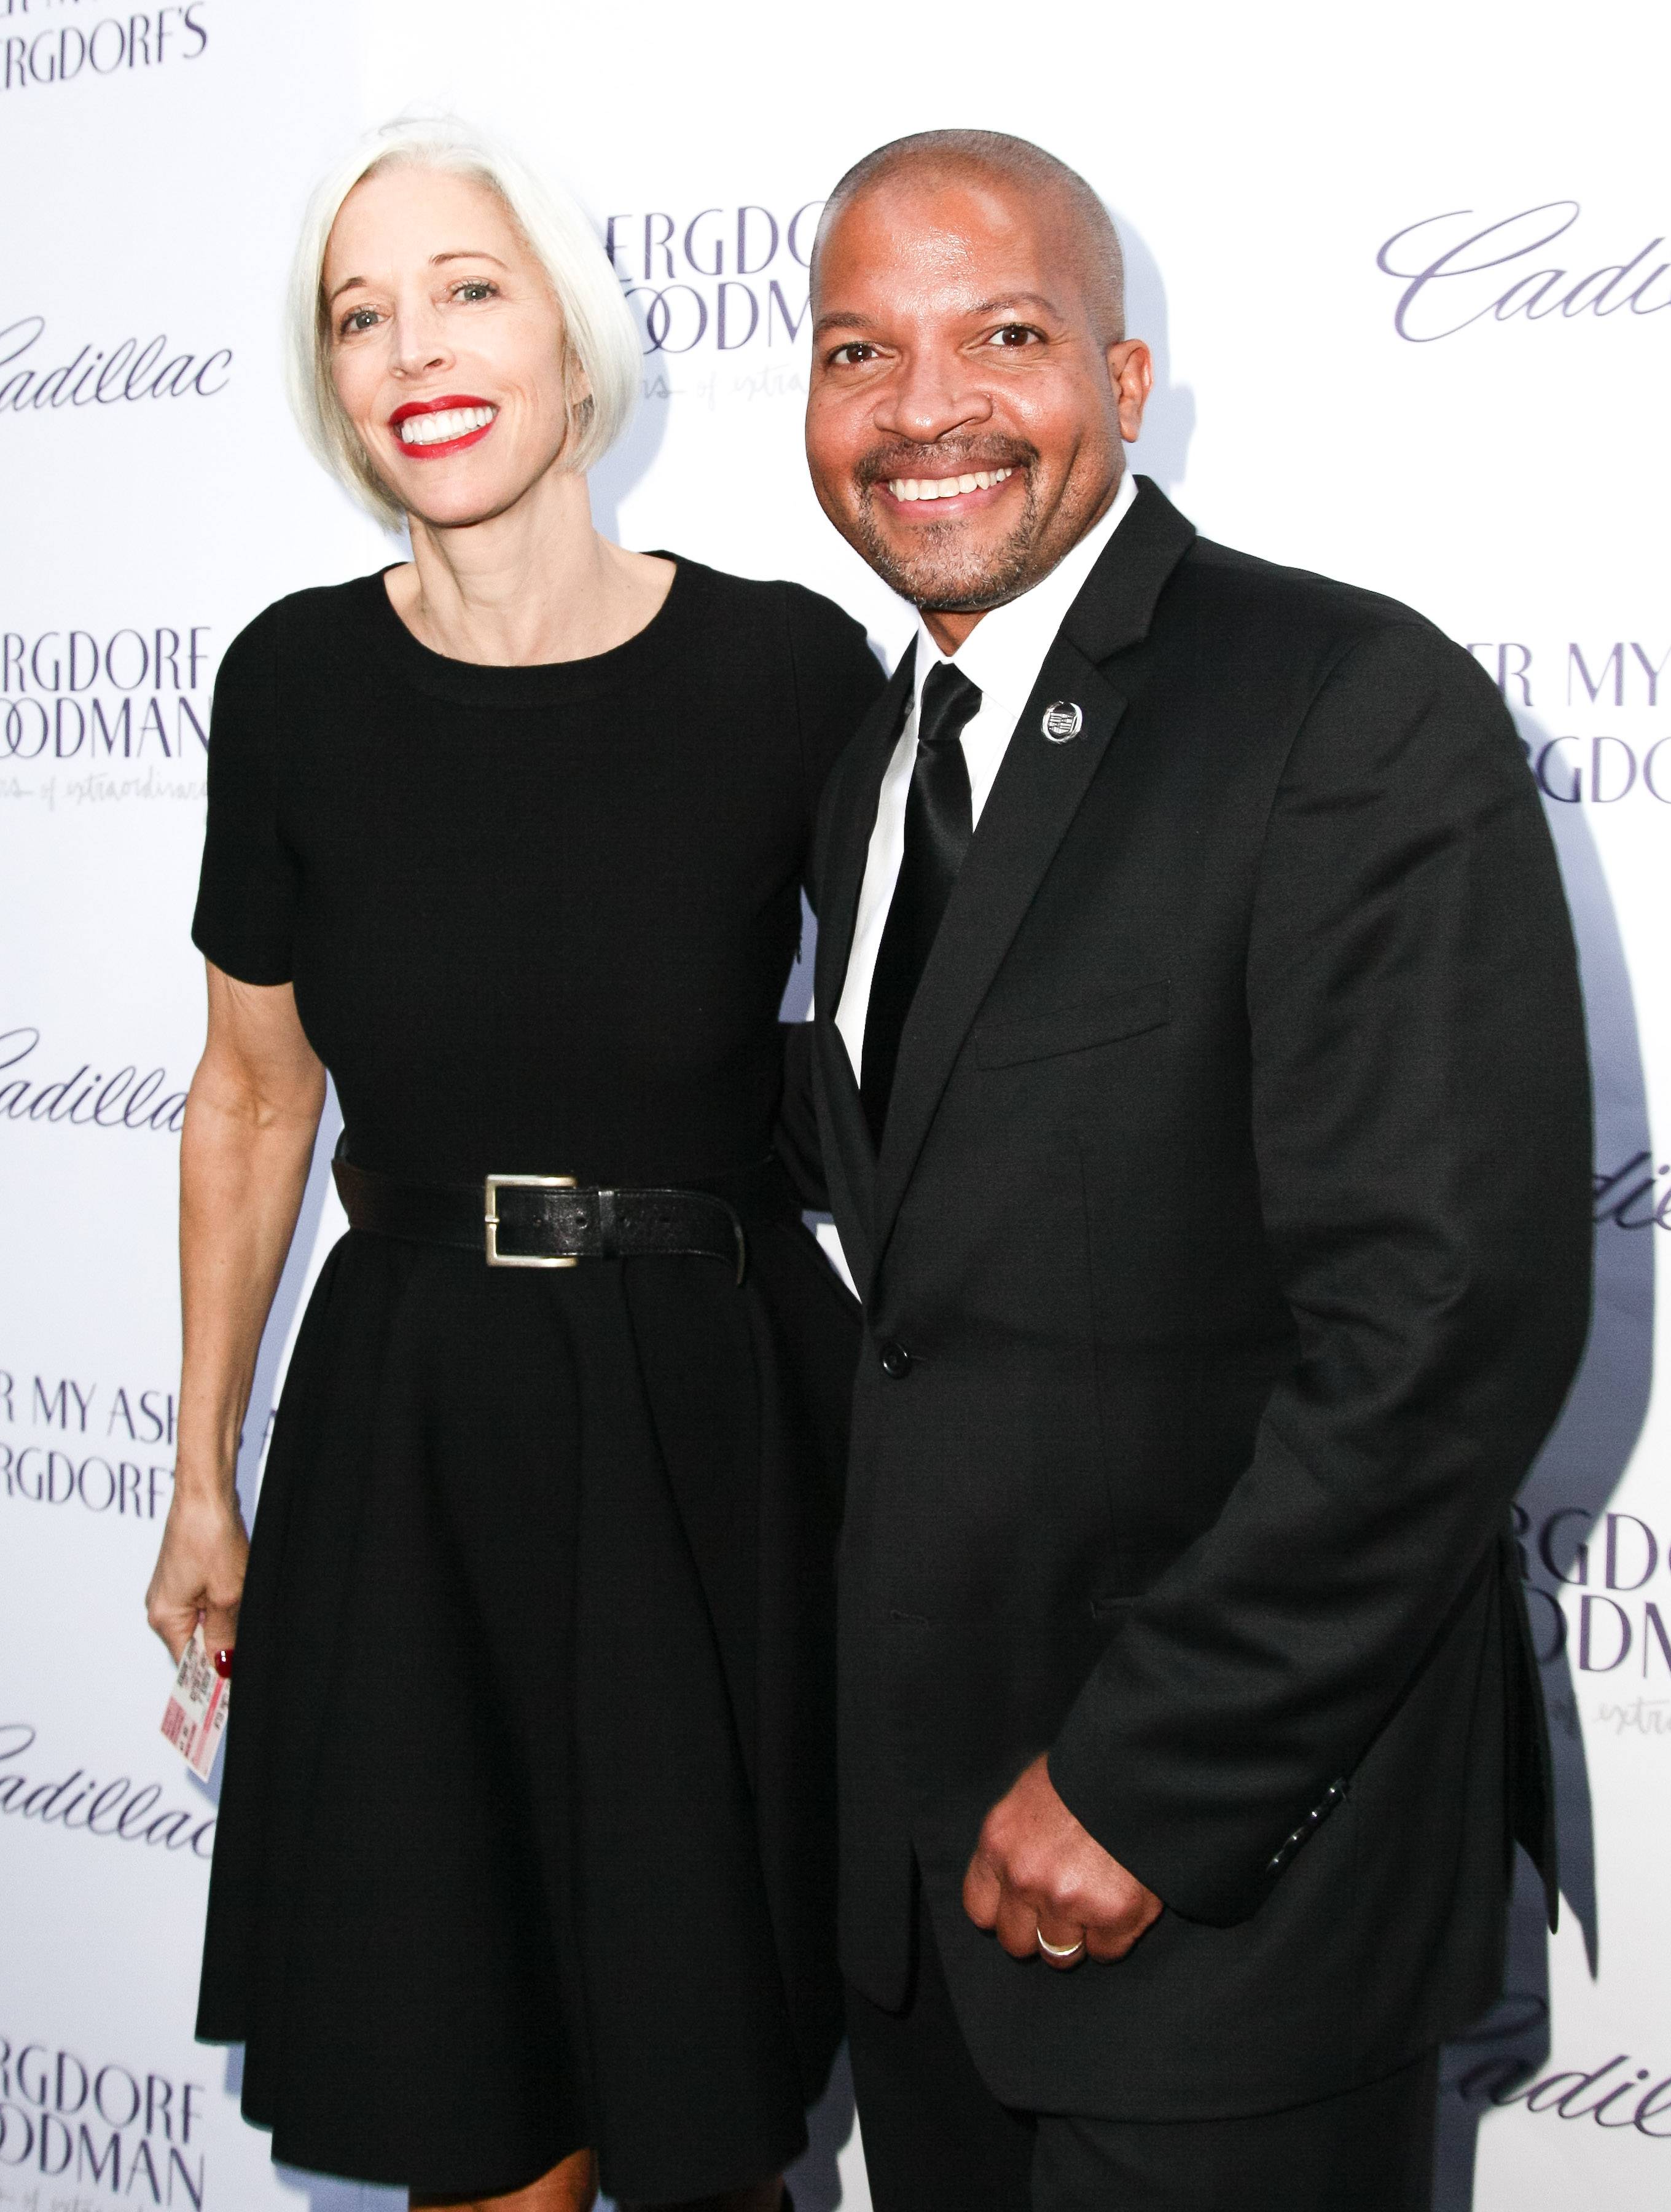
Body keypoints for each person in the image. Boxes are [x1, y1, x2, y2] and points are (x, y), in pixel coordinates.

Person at [799, 129, 1591, 2210]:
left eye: (1004, 335)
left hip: (1227, 1894)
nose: (926, 410)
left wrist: (1152, 1780)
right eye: (860, 350)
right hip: (925, 1904)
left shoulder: (1344, 701)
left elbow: (1446, 1325)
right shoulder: (870, 764)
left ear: (1126, 382)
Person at [142, 119, 883, 2212]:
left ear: (572, 343)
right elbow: (253, 1097)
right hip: (417, 1443)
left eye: (467, 289)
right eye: (359, 315)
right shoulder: (294, 685)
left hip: (714, 1437)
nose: (415, 348)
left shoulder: (786, 671)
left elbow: (927, 1058)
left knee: (712, 2121)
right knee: (474, 2121)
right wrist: (201, 1473)